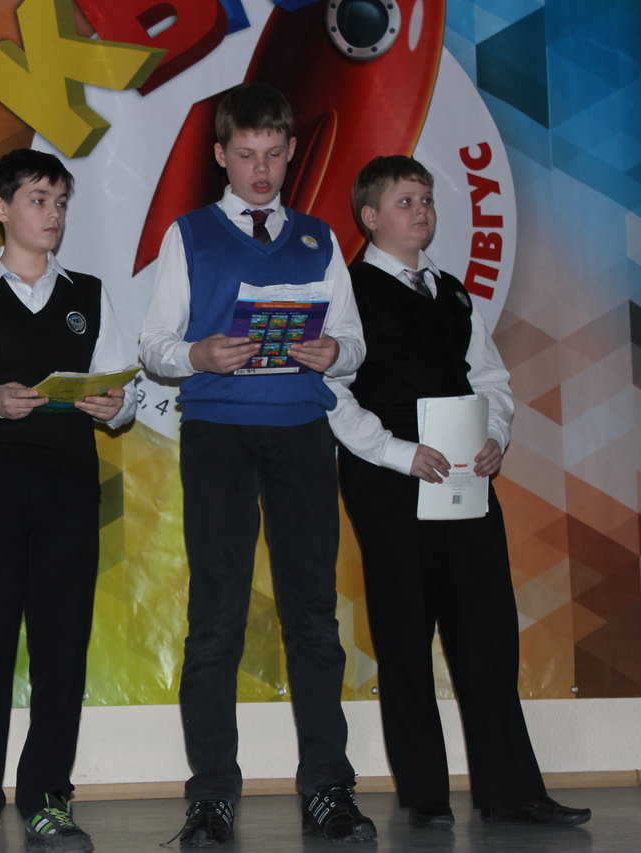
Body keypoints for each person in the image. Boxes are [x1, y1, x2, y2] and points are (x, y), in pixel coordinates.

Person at [138, 83, 374, 846]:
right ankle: (211, 795)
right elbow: (155, 346)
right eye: (246, 155)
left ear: (293, 150)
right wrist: (198, 354)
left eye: (274, 154)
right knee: (216, 618)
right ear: (221, 156)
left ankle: (328, 787)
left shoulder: (318, 237)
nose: (262, 170)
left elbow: (354, 341)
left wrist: (335, 351)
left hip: (303, 433)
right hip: (218, 436)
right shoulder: (189, 235)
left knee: (313, 616)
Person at [327, 154, 591, 830]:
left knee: (488, 631)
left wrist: (494, 436)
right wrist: (398, 453)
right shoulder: (346, 292)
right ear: (369, 216)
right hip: (390, 480)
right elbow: (330, 393)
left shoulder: (452, 293)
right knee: (405, 633)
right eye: (405, 201)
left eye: (426, 199)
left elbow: (490, 379)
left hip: (465, 479)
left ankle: (511, 792)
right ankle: (426, 797)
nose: (421, 211)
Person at [0, 148, 138, 853]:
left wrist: (114, 405)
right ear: (1, 207)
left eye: (61, 202)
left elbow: (125, 391)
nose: (53, 214)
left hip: (69, 486)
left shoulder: (90, 295)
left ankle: (48, 798)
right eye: (39, 200)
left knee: (61, 648)